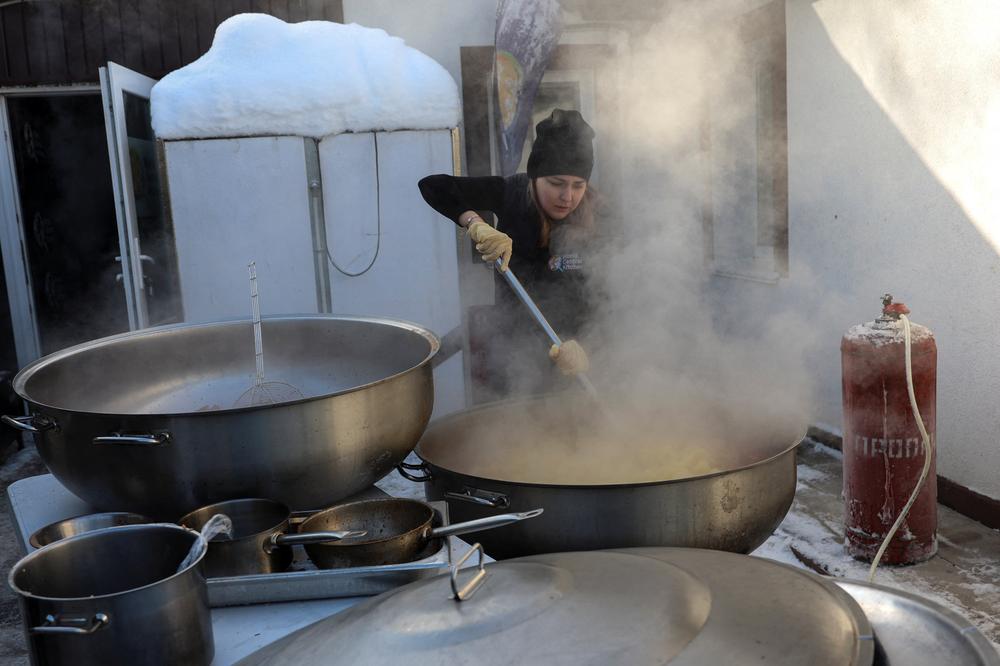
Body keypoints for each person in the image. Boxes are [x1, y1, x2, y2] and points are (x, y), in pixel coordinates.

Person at [418, 108, 602, 397]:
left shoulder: (599, 216)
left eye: (578, 186)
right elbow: (433, 186)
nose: (568, 197)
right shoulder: (511, 194)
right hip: (510, 353)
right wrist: (475, 223)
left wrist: (586, 346)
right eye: (556, 184)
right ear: (535, 177)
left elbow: (609, 296)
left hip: (574, 359)